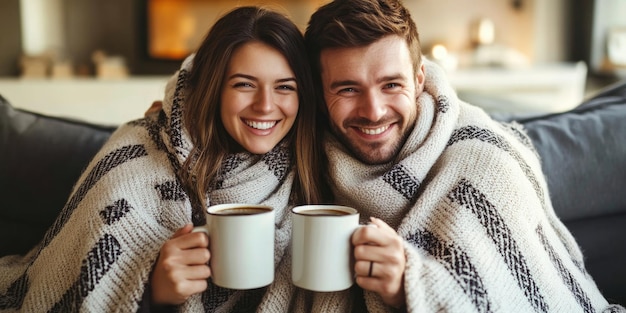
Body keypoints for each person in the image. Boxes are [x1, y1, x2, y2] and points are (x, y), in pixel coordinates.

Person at [300, 0, 626, 312]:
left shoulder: (485, 163)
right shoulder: (307, 156)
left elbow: (526, 293)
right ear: (319, 91)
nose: (373, 112)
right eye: (348, 89)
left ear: (418, 80)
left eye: (391, 85)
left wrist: (413, 286)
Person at [0, 6, 326, 312]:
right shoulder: (138, 152)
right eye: (244, 84)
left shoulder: (313, 160)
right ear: (213, 88)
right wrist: (150, 291)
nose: (265, 106)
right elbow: (80, 280)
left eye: (285, 87)